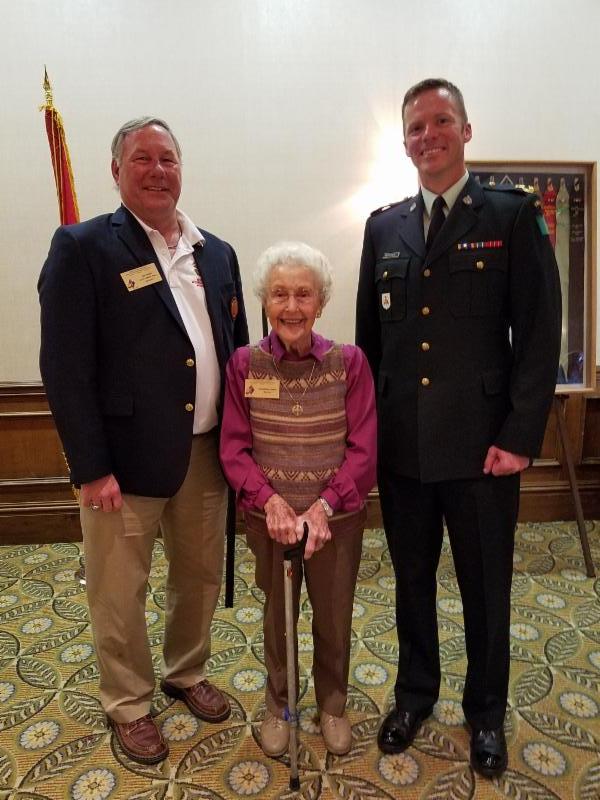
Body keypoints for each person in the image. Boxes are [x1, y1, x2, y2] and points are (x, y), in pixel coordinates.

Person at [356, 79, 561, 778]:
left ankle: (486, 712)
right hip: (404, 448)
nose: (429, 136)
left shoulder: (510, 214)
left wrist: (520, 436)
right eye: (416, 127)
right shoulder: (383, 227)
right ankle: (415, 695)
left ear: (466, 131)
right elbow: (371, 345)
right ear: (404, 141)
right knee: (411, 581)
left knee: (485, 588)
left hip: (483, 449)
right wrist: (368, 438)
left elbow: (539, 334)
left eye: (441, 121)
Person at [38, 117, 248, 765]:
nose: (158, 170)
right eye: (142, 159)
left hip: (206, 453)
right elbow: (65, 368)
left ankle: (186, 671)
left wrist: (244, 445)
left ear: (182, 168)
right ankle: (129, 701)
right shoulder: (83, 247)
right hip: (121, 464)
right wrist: (90, 466)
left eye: (168, 159)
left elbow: (237, 354)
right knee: (118, 588)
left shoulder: (218, 252)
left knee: (199, 575)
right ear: (116, 170)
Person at [220, 242, 376, 757]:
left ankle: (332, 705)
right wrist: (270, 502)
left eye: (303, 295)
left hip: (337, 520)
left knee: (333, 617)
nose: (291, 307)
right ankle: (280, 706)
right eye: (280, 294)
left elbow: (363, 448)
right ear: (265, 301)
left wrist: (324, 507)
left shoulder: (349, 362)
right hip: (271, 521)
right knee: (277, 619)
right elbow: (234, 448)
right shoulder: (245, 364)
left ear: (321, 302)